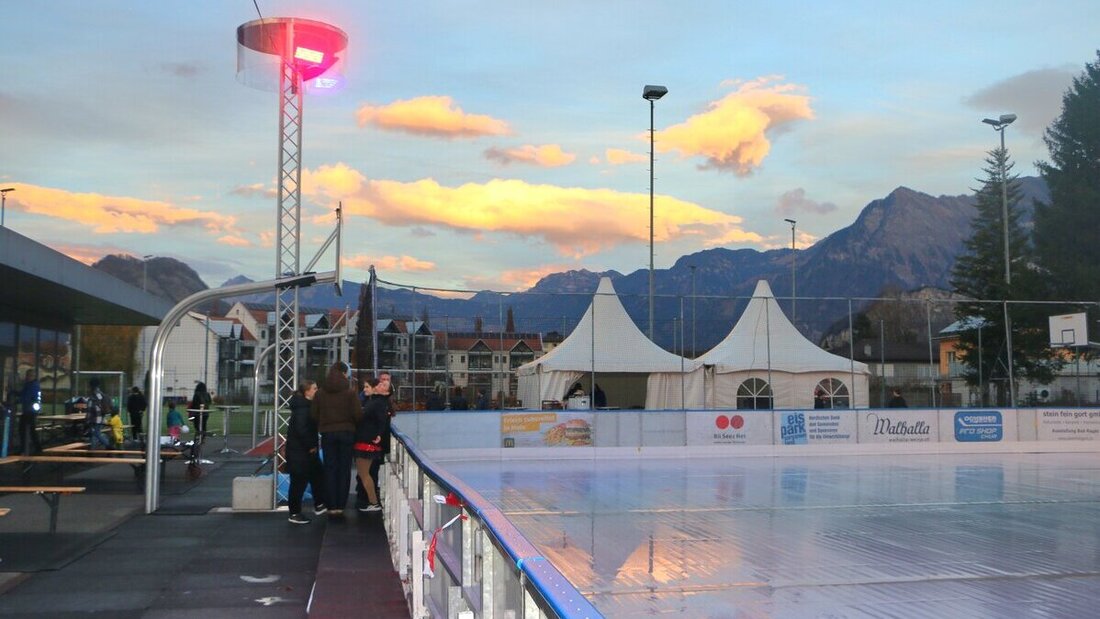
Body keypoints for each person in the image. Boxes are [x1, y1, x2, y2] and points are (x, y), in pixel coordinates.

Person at [310, 362, 361, 516]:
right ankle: (340, 504)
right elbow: (358, 415)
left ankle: (331, 504)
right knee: (344, 469)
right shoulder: (350, 393)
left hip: (327, 433)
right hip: (346, 433)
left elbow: (313, 415)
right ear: (344, 373)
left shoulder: (320, 393)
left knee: (330, 468)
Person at [287, 379, 326, 524]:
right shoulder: (303, 409)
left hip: (305, 452)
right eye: (314, 388)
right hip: (301, 452)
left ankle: (320, 503)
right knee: (299, 482)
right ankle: (295, 513)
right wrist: (310, 445)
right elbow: (302, 430)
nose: (317, 391)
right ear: (307, 391)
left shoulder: (305, 407)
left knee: (317, 475)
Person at [354, 378, 388, 512]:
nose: (365, 389)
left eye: (367, 387)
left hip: (367, 442)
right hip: (366, 441)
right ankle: (372, 501)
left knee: (364, 474)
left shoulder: (376, 403)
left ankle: (373, 502)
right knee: (364, 473)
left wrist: (378, 434)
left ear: (374, 388)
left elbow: (381, 420)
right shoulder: (372, 402)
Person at [18, 370, 42, 455]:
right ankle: (35, 448)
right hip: (30, 411)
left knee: (24, 430)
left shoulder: (31, 385)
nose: (28, 377)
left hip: (29, 411)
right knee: (30, 430)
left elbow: (26, 397)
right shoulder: (33, 385)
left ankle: (25, 449)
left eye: (30, 376)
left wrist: (17, 399)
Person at [86, 378, 112, 450]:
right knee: (94, 434)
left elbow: (91, 408)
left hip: (95, 418)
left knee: (96, 433)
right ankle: (92, 449)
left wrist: (87, 419)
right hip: (102, 417)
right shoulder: (102, 394)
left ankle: (108, 445)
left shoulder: (94, 395)